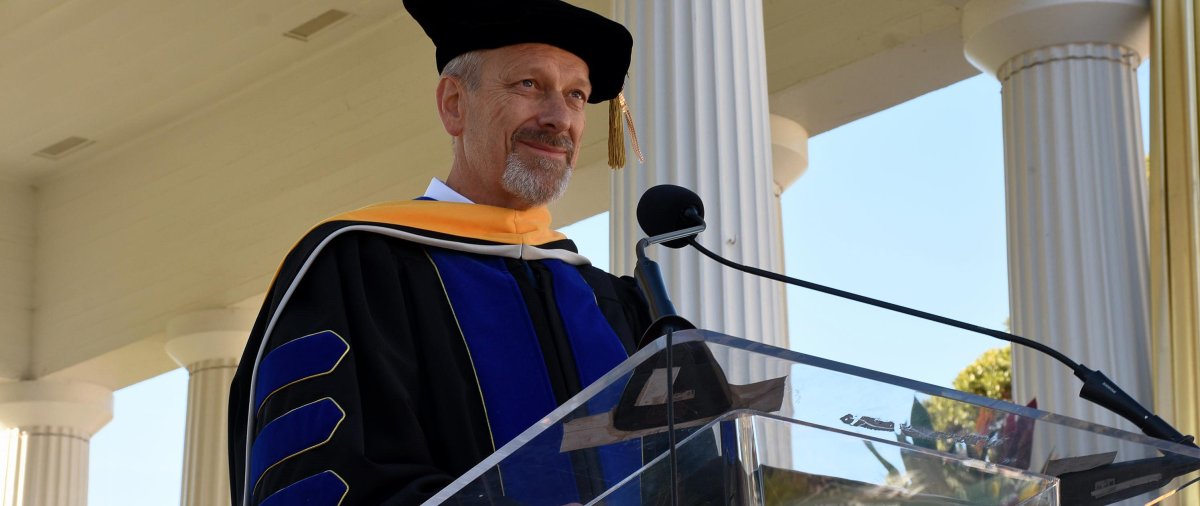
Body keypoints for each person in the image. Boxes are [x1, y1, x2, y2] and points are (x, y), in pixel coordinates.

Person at [226, 0, 649, 504]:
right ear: (454, 104)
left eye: (576, 95)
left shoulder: (611, 303)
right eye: (528, 85)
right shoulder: (356, 266)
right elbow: (322, 476)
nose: (559, 118)